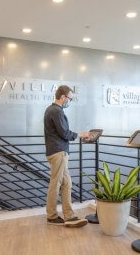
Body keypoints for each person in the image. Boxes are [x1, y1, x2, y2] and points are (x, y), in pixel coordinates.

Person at [44, 85, 90, 227]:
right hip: (58, 152)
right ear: (63, 97)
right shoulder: (56, 111)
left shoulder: (52, 110)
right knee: (56, 183)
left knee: (67, 183)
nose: (70, 101)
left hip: (58, 151)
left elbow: (62, 132)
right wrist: (80, 134)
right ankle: (51, 216)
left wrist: (76, 135)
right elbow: (64, 133)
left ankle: (69, 216)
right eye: (70, 98)